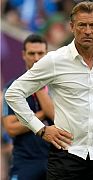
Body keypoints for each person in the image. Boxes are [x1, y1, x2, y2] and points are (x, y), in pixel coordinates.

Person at [5, 1, 93, 180]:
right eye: (82, 25)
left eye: (92, 25)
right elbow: (14, 92)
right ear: (72, 27)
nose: (87, 31)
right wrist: (40, 129)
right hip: (66, 154)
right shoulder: (56, 60)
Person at [2, 34, 54, 180]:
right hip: (25, 162)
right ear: (23, 55)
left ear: (47, 54)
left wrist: (37, 85)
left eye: (40, 53)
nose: (36, 58)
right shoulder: (13, 88)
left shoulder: (58, 86)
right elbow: (11, 128)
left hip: (56, 161)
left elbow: (57, 117)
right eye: (31, 53)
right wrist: (42, 114)